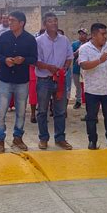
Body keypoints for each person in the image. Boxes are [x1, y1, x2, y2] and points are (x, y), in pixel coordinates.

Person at [0, 11, 38, 153]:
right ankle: (0, 139)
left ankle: (17, 137)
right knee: (1, 111)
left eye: (12, 20)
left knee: (21, 111)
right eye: (9, 20)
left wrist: (23, 60)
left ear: (21, 23)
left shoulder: (30, 39)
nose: (9, 22)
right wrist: (5, 59)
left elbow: (34, 58)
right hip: (5, 79)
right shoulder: (4, 36)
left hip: (21, 81)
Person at [79, 23, 107, 150]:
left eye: (105, 33)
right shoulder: (85, 48)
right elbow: (83, 65)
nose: (105, 36)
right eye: (102, 34)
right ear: (93, 35)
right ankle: (92, 141)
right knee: (91, 117)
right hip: (92, 89)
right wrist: (100, 60)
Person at [35, 12, 73, 150]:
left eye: (56, 20)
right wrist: (49, 67)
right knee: (42, 111)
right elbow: (36, 61)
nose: (54, 23)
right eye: (50, 21)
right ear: (45, 24)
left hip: (61, 80)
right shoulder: (38, 41)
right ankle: (43, 138)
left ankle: (60, 138)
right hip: (44, 80)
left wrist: (64, 68)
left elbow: (69, 56)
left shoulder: (64, 40)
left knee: (61, 111)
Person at [72, 28, 88, 109]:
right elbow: (72, 55)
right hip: (76, 68)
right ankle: (78, 100)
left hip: (87, 69)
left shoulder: (90, 44)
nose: (81, 35)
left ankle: (88, 101)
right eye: (80, 34)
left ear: (86, 35)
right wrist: (79, 49)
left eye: (83, 34)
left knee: (87, 85)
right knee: (78, 86)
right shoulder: (74, 44)